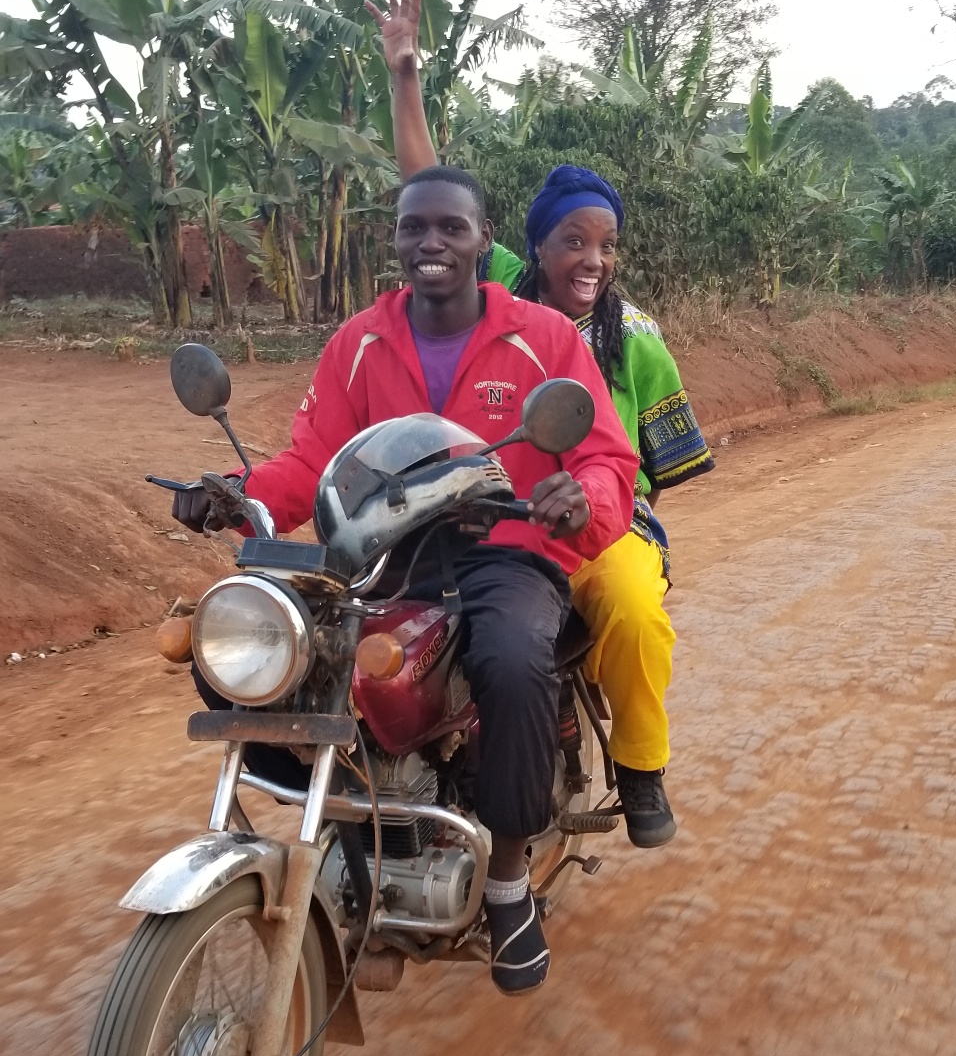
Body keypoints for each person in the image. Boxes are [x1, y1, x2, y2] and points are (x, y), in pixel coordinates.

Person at [174, 164, 637, 996]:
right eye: (413, 227)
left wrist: (580, 498)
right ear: (393, 238)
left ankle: (507, 879)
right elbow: (310, 458)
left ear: (482, 238)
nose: (432, 242)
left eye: (451, 227)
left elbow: (605, 456)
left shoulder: (543, 337)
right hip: (385, 554)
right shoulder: (359, 343)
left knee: (510, 662)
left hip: (506, 548)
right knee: (276, 648)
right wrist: (236, 495)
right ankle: (355, 823)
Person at [366, 0, 714, 848]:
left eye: (606, 245)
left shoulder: (637, 338)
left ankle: (641, 765)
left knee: (633, 609)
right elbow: (429, 189)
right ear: (533, 246)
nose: (591, 260)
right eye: (573, 241)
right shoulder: (500, 302)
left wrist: (597, 500)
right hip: (486, 519)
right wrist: (405, 76)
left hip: (600, 523)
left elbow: (654, 466)